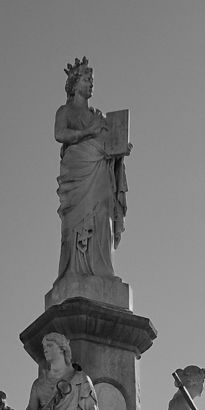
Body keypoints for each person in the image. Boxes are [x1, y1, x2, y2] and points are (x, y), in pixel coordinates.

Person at [54, 58, 130, 282]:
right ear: (75, 84)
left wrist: (119, 152)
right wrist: (88, 133)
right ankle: (74, 271)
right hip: (78, 171)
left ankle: (102, 271)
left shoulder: (98, 116)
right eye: (87, 79)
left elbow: (107, 145)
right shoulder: (65, 111)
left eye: (92, 80)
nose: (91, 84)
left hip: (100, 172)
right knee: (77, 221)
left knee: (102, 215)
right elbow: (59, 134)